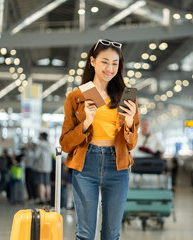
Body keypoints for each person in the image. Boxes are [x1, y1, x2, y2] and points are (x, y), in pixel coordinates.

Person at [60, 39, 140, 240]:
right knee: (85, 234)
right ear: (93, 61)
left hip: (118, 166)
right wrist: (86, 122)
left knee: (111, 235)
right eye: (105, 62)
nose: (110, 68)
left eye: (115, 63)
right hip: (86, 164)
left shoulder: (126, 96)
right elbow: (65, 143)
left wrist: (130, 123)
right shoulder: (77, 97)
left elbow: (131, 143)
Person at [33, 132, 52, 205]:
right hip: (48, 167)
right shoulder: (48, 144)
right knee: (47, 183)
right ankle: (49, 198)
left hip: (40, 167)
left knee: (41, 183)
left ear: (41, 137)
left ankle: (42, 199)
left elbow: (36, 156)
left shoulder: (39, 145)